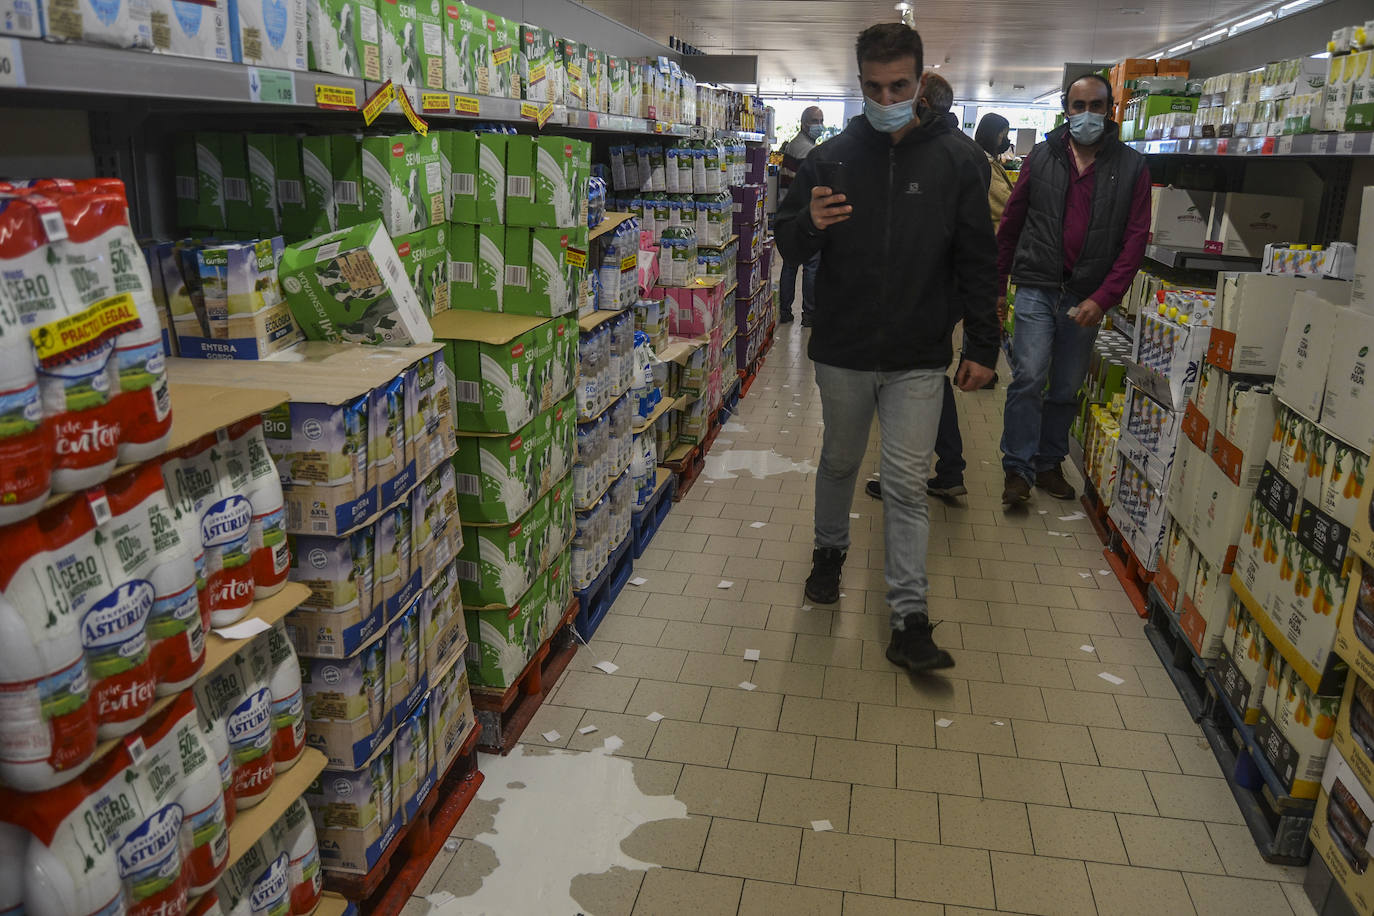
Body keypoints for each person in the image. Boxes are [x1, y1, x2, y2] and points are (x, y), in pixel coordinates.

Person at [776, 24, 999, 673]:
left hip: (918, 354)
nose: (887, 96)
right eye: (874, 87)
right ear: (859, 84)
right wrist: (807, 224)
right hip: (842, 350)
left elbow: (979, 259)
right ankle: (828, 553)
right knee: (841, 463)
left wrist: (983, 341)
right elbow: (788, 244)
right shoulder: (832, 158)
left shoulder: (957, 162)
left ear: (920, 81)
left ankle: (909, 619)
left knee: (904, 484)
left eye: (899, 85)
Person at [996, 73, 1150, 508]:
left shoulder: (1132, 166)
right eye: (1078, 106)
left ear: (1110, 109)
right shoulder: (1041, 157)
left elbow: (1135, 240)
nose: (1086, 115)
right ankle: (1018, 469)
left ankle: (1048, 462)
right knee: (1028, 377)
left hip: (1085, 294)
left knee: (1065, 386)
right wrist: (997, 281)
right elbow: (1011, 223)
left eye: (1096, 106)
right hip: (1036, 285)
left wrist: (1103, 299)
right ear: (1067, 109)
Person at [862, 73, 981, 504]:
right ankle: (946, 468)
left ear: (923, 102)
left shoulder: (941, 155)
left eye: (904, 93)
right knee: (924, 376)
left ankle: (923, 471)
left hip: (925, 290)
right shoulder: (970, 152)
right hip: (945, 293)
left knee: (915, 378)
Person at [777, 106, 824, 326]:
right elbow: (810, 187)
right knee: (811, 266)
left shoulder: (793, 145)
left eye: (821, 120)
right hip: (802, 215)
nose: (819, 125)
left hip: (788, 213)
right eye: (816, 120)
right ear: (805, 123)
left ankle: (785, 311)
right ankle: (809, 314)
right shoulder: (807, 151)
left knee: (790, 265)